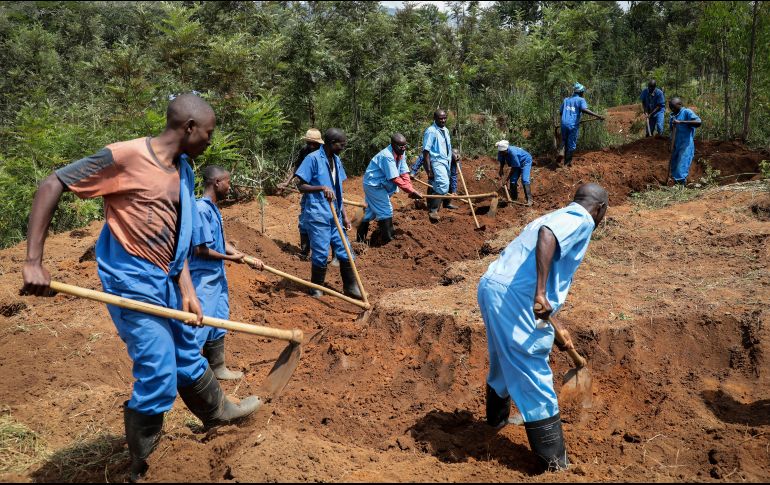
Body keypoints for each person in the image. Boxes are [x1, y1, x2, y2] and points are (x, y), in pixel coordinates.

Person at [20, 94, 262, 482]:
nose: (210, 142)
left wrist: (186, 285)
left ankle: (218, 414)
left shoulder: (184, 168)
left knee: (186, 351)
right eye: (209, 133)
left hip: (168, 279)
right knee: (157, 368)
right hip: (132, 279)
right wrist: (33, 261)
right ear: (188, 127)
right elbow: (53, 183)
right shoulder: (125, 157)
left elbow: (177, 233)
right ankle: (144, 466)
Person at [477, 183, 608, 472]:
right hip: (517, 296)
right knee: (531, 368)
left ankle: (495, 423)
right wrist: (539, 293)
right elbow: (547, 238)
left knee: (502, 360)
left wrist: (555, 322)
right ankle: (554, 464)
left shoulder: (554, 214)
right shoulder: (581, 219)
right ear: (600, 209)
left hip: (493, 287)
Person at [190, 165, 264, 380]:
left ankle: (218, 367)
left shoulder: (213, 208)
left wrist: (245, 257)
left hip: (217, 275)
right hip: (203, 277)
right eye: (228, 182)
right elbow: (201, 249)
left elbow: (220, 244)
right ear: (216, 183)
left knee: (219, 320)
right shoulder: (201, 210)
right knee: (200, 325)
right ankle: (190, 376)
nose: (230, 187)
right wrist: (230, 259)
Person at [294, 128, 363, 300]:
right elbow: (300, 186)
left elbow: (339, 193)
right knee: (320, 253)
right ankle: (316, 288)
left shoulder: (337, 160)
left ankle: (350, 287)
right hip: (318, 215)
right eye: (341, 144)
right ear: (332, 144)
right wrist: (321, 188)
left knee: (346, 251)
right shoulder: (313, 159)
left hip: (336, 216)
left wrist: (345, 216)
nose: (343, 147)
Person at [357, 134, 423, 245]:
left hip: (381, 184)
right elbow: (394, 178)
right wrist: (411, 191)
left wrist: (410, 188)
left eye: (404, 146)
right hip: (374, 185)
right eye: (400, 146)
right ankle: (388, 242)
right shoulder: (387, 156)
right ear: (393, 145)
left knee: (368, 213)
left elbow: (403, 171)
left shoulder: (401, 152)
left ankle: (359, 241)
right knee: (386, 210)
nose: (403, 148)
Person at [278, 128, 324, 259]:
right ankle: (304, 252)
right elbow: (297, 168)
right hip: (308, 192)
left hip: (323, 194)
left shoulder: (324, 154)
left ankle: (329, 255)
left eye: (314, 144)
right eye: (309, 143)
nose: (311, 146)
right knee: (304, 222)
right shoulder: (305, 151)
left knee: (323, 224)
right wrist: (286, 182)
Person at [559, 82, 605, 166]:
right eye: (583, 92)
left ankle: (561, 152)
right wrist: (598, 115)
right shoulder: (581, 100)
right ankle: (567, 163)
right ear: (580, 92)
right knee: (571, 144)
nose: (583, 93)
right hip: (572, 125)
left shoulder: (566, 100)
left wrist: (567, 118)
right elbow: (584, 109)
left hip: (563, 123)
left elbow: (561, 112)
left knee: (564, 140)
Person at [422, 109, 453, 221]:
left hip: (446, 161)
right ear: (435, 118)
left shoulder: (446, 130)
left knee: (437, 184)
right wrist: (428, 169)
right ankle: (433, 210)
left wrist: (452, 154)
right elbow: (426, 152)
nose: (443, 120)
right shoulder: (431, 131)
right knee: (443, 184)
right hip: (436, 161)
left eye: (445, 118)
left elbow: (446, 146)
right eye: (441, 118)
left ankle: (431, 206)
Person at [668, 97, 702, 187]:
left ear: (679, 105)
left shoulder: (687, 112)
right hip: (675, 144)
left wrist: (681, 122)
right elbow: (671, 131)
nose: (672, 109)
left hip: (685, 144)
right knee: (674, 164)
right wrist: (670, 144)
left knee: (682, 164)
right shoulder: (672, 116)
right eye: (670, 107)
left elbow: (698, 122)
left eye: (673, 107)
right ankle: (675, 183)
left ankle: (680, 185)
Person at [495, 140, 533, 206]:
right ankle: (514, 199)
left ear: (506, 150)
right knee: (513, 181)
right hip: (516, 163)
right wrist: (501, 169)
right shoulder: (501, 152)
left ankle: (529, 200)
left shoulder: (513, 153)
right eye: (500, 152)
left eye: (503, 152)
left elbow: (514, 168)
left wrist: (506, 180)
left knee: (524, 179)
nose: (501, 154)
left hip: (525, 161)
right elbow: (502, 160)